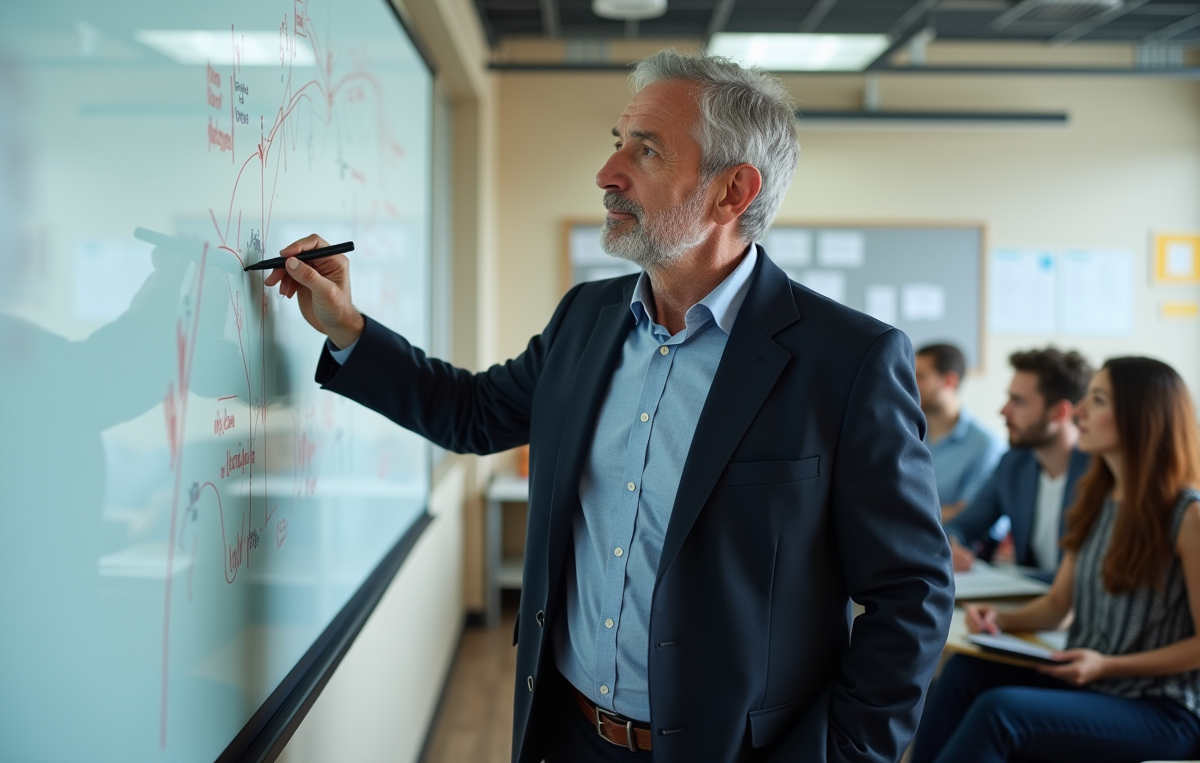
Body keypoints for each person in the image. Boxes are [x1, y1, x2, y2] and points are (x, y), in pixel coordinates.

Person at [265, 50, 953, 763]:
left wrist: (839, 755)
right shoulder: (585, 319)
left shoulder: (848, 360)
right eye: (618, 142)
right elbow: (471, 413)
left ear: (732, 191)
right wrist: (348, 327)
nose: (606, 173)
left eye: (646, 151)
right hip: (566, 734)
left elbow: (911, 594)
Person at [911, 356, 1200, 763]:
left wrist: (1106, 666)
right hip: (1095, 682)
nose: (1079, 411)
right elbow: (1057, 605)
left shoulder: (1187, 515)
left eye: (1097, 400)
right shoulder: (1096, 500)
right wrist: (1001, 619)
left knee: (1001, 713)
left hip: (1161, 706)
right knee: (962, 673)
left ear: (1141, 417)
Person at [945, 347, 1092, 581]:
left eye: (1018, 401)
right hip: (1026, 595)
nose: (1003, 411)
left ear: (1059, 412)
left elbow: (1087, 575)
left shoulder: (1099, 473)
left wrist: (1012, 576)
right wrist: (952, 546)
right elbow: (962, 525)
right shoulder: (1013, 464)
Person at [913, 343, 1005, 522]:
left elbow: (968, 512)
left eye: (920, 376)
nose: (910, 384)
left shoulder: (985, 444)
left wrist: (904, 514)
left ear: (949, 381)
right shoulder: (910, 435)